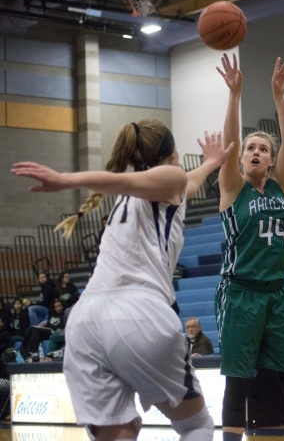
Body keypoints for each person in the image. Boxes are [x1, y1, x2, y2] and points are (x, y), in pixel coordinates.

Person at [12, 119, 234, 441]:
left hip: (86, 320)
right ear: (172, 154)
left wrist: (211, 164)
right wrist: (65, 180)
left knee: (120, 433)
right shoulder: (167, 178)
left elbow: (190, 182)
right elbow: (133, 181)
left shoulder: (141, 196)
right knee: (195, 426)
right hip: (137, 311)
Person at [215, 53, 284, 441]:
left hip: (278, 294)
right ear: (240, 159)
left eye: (263, 149)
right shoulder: (232, 189)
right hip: (241, 293)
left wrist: (279, 95)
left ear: (272, 161)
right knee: (238, 381)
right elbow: (228, 141)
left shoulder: (281, 187)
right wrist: (234, 95)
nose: (256, 151)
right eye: (250, 148)